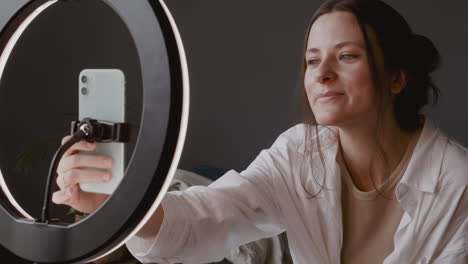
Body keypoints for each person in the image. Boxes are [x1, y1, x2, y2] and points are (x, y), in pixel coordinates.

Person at [52, 0, 468, 263]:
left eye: (347, 56)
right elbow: (213, 215)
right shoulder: (298, 154)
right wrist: (127, 208)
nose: (322, 74)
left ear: (397, 78)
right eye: (311, 60)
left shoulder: (457, 183)